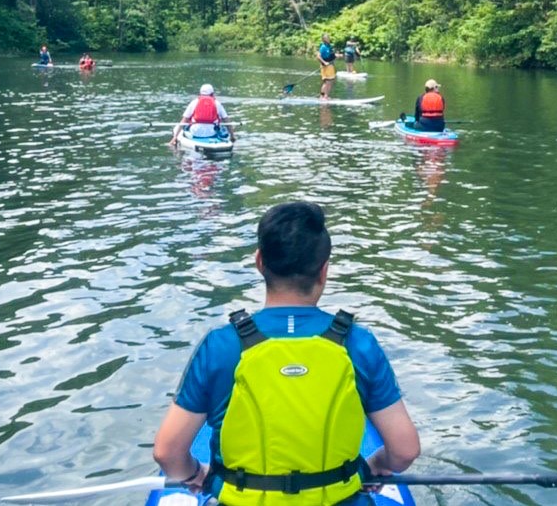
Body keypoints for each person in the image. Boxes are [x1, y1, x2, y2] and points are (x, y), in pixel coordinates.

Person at [153, 201, 420, 503]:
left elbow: (168, 452)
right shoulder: (359, 344)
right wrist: (373, 466)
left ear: (259, 261)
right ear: (324, 271)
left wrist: (194, 476)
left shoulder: (221, 345)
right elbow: (404, 450)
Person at [169, 83, 236, 146]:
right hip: (211, 133)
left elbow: (184, 121)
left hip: (196, 132)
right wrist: (232, 136)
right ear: (212, 94)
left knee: (186, 126)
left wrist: (175, 137)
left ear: (200, 94)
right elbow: (227, 121)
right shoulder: (217, 103)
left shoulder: (194, 102)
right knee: (222, 128)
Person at [317, 33, 337, 99]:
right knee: (327, 82)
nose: (328, 39)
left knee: (330, 82)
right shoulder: (323, 47)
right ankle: (323, 96)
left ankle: (325, 96)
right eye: (326, 38)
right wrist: (324, 62)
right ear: (324, 39)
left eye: (328, 37)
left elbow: (331, 55)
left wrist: (337, 55)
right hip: (326, 66)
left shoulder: (329, 46)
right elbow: (318, 56)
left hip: (330, 66)